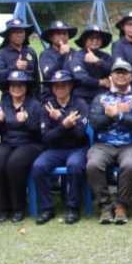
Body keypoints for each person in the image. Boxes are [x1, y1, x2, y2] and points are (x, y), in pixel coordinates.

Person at [87, 58, 132, 225]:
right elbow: (95, 123)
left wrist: (118, 115)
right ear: (111, 76)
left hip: (131, 144)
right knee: (93, 164)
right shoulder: (101, 98)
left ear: (131, 77)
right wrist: (109, 116)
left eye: (125, 72)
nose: (121, 75)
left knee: (130, 165)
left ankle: (122, 205)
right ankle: (105, 206)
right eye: (117, 72)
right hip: (103, 144)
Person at [33, 69, 89, 225]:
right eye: (56, 86)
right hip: (55, 149)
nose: (59, 89)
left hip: (77, 148)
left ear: (70, 86)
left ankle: (73, 207)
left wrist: (60, 119)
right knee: (39, 166)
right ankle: (46, 208)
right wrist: (64, 125)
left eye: (63, 85)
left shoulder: (80, 104)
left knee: (75, 165)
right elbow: (46, 138)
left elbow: (80, 134)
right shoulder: (48, 106)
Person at [0, 70, 44, 223]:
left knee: (14, 163)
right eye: (13, 85)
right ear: (8, 87)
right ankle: (3, 208)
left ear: (26, 87)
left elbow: (41, 133)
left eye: (20, 85)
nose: (16, 88)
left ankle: (18, 207)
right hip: (7, 143)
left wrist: (27, 121)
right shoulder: (2, 105)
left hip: (30, 144)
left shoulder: (35, 105)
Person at [69, 24, 112, 105]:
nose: (95, 41)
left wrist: (98, 62)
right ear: (85, 40)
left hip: (103, 95)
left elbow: (114, 70)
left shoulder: (105, 56)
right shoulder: (77, 56)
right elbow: (81, 77)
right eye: (91, 38)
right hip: (83, 96)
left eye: (98, 38)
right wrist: (100, 82)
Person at [0, 18, 38, 90]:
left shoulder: (31, 52)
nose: (19, 35)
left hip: (30, 97)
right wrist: (14, 68)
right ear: (8, 35)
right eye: (15, 32)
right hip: (9, 96)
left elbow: (36, 78)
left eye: (21, 32)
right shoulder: (1, 54)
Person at [38, 20, 78, 94]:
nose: (62, 36)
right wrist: (62, 56)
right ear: (51, 37)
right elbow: (48, 75)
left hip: (72, 93)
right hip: (52, 93)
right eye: (58, 34)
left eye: (65, 33)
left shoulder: (74, 52)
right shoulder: (45, 54)